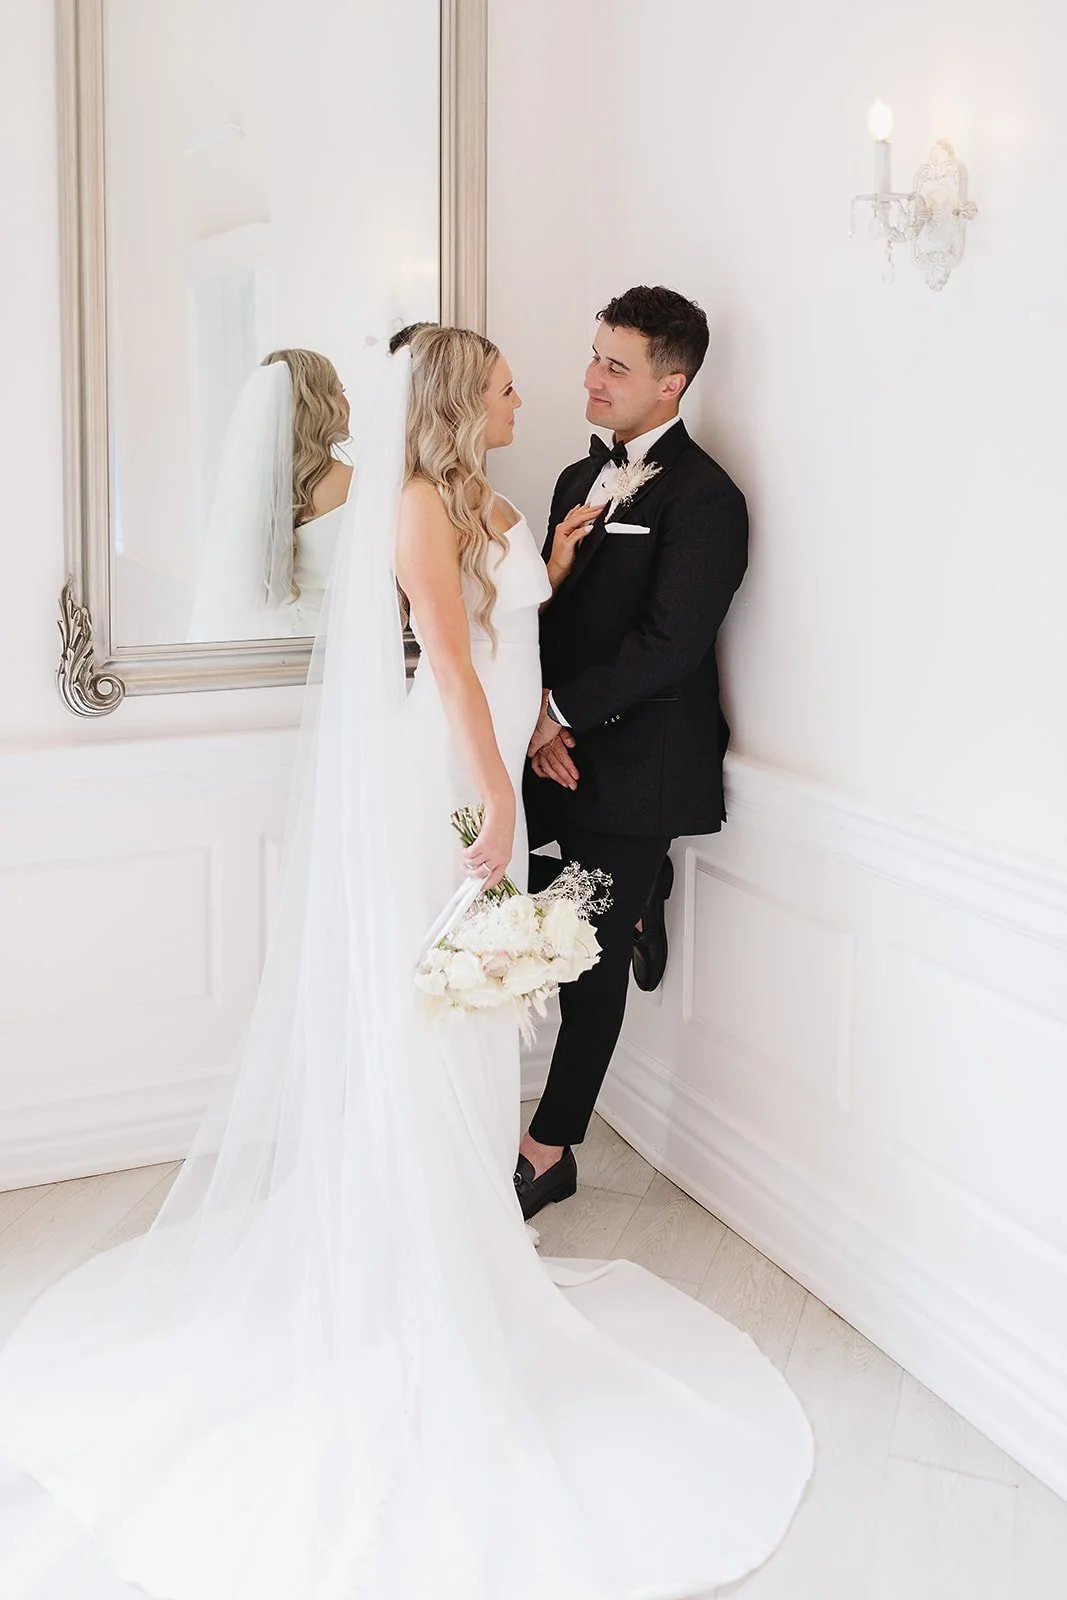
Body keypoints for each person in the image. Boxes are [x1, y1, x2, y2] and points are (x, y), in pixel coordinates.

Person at [0, 328, 810, 1600]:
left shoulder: (487, 496)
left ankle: (467, 1230)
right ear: (456, 400)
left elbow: (510, 624)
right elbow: (451, 667)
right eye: (503, 387)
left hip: (488, 771)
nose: (525, 397)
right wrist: (495, 789)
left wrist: (546, 570)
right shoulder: (416, 505)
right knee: (435, 1008)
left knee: (475, 1014)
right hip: (444, 778)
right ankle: (414, 1255)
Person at [518, 287, 748, 1222]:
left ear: (671, 383)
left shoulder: (708, 499)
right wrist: (538, 722)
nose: (591, 377)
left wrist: (556, 713)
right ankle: (645, 890)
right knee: (496, 892)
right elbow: (547, 613)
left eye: (615, 365)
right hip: (553, 746)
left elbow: (670, 645)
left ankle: (548, 1150)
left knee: (591, 962)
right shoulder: (577, 478)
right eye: (594, 355)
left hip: (641, 762)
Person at [187, 347, 352, 641]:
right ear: (323, 403)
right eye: (341, 390)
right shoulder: (354, 483)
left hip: (267, 647)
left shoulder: (248, 489)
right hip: (334, 644)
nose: (346, 401)